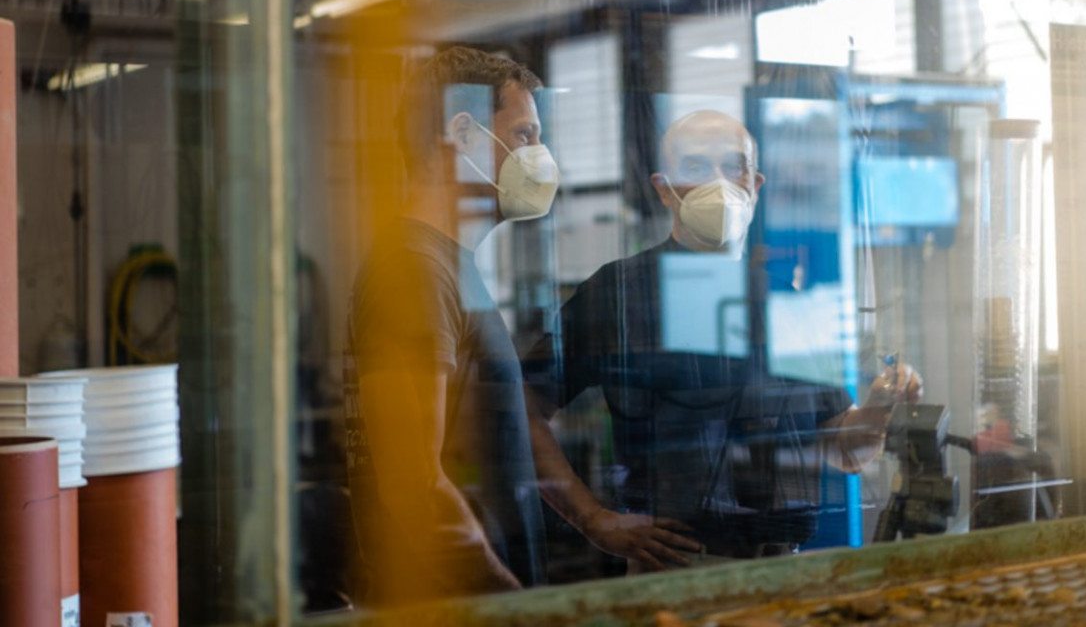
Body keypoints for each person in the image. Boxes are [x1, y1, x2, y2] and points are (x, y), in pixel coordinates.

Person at [523, 109, 921, 573]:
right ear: (664, 189)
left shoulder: (786, 302)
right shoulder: (617, 294)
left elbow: (845, 452)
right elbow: (522, 409)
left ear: (755, 185)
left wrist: (880, 405)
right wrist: (591, 519)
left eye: (733, 167)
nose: (718, 183)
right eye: (695, 168)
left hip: (784, 570)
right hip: (672, 571)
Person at [343, 47, 557, 605]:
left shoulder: (445, 263)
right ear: (462, 134)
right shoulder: (415, 268)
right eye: (525, 134)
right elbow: (412, 485)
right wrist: (512, 604)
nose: (538, 154)